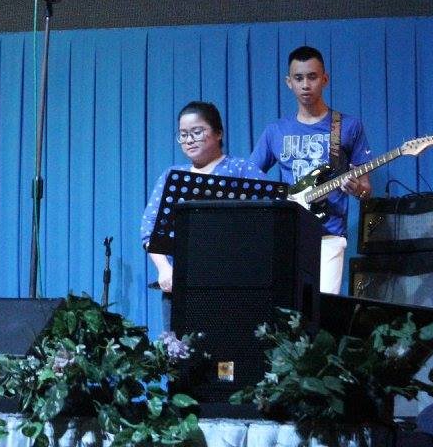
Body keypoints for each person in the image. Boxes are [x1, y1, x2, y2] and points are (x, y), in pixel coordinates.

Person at [250, 45, 373, 294]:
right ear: (289, 82)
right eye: (298, 78)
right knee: (285, 308)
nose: (306, 85)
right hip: (288, 234)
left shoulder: (347, 126)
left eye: (312, 77)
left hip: (330, 235)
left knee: (323, 308)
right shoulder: (275, 130)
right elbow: (251, 177)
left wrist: (356, 189)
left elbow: (366, 190)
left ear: (325, 79)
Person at [140, 101, 265, 323]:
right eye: (183, 134)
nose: (189, 140)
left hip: (234, 284)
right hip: (181, 283)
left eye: (197, 132)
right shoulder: (172, 175)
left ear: (218, 133)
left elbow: (269, 218)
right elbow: (150, 229)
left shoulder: (241, 169)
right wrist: (164, 269)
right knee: (178, 344)